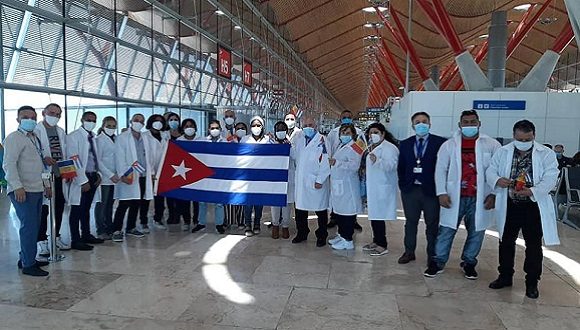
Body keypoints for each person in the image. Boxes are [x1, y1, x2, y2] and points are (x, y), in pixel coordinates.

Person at [486, 120, 560, 299]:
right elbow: (491, 170)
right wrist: (497, 180)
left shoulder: (546, 154)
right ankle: (505, 276)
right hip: (510, 204)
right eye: (520, 139)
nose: (523, 143)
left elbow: (551, 177)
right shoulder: (503, 152)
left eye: (527, 139)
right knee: (506, 242)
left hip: (533, 206)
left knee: (533, 245)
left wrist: (532, 191)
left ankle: (532, 282)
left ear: (533, 136)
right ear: (514, 136)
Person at [424, 109, 501, 279]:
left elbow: (499, 171)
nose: (469, 125)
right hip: (454, 196)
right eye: (465, 122)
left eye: (473, 122)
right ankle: (438, 261)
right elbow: (440, 170)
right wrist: (441, 192)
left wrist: (495, 194)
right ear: (460, 124)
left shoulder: (492, 144)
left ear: (479, 123)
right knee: (446, 229)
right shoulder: (449, 145)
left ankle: (469, 262)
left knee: (477, 231)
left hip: (481, 196)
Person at [3, 106, 51, 276]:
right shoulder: (13, 138)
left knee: (34, 225)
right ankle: (29, 265)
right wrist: (17, 187)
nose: (29, 120)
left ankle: (26, 257)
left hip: (37, 188)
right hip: (23, 190)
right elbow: (9, 164)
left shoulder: (34, 138)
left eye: (32, 117)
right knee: (29, 227)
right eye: (25, 117)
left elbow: (40, 164)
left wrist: (47, 185)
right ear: (18, 119)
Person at [397, 112, 446, 264]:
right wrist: (403, 185)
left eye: (424, 121)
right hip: (411, 190)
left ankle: (432, 254)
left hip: (430, 190)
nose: (421, 124)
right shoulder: (405, 144)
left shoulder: (440, 143)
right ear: (413, 126)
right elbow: (401, 167)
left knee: (432, 224)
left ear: (430, 124)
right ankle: (409, 251)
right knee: (410, 222)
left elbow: (444, 166)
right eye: (417, 122)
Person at [111, 114, 157, 242]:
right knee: (124, 203)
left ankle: (131, 227)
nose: (139, 123)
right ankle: (116, 229)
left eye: (141, 121)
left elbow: (150, 156)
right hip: (129, 174)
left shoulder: (145, 138)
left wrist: (151, 172)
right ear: (131, 121)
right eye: (136, 120)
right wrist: (122, 174)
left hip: (142, 175)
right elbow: (119, 157)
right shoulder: (122, 138)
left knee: (137, 202)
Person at [34, 103, 70, 259]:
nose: (55, 116)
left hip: (59, 175)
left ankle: (55, 238)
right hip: (43, 176)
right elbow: (32, 153)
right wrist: (43, 158)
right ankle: (42, 242)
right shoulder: (36, 131)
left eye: (58, 114)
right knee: (44, 210)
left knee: (59, 207)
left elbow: (65, 153)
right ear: (43, 112)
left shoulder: (60, 132)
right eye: (52, 113)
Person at [66, 111, 105, 251]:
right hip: (81, 178)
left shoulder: (92, 137)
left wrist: (98, 173)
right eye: (88, 119)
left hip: (93, 175)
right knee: (77, 209)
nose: (91, 122)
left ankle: (86, 234)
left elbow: (95, 157)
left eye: (94, 120)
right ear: (82, 120)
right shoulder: (73, 136)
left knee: (86, 208)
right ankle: (75, 240)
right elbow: (73, 159)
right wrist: (82, 180)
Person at [360, 123, 399, 256]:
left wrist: (378, 160)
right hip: (373, 186)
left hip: (383, 186)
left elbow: (392, 166)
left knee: (379, 216)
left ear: (383, 133)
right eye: (371, 133)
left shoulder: (390, 148)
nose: (373, 135)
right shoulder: (372, 146)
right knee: (374, 215)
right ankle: (376, 240)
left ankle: (382, 244)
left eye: (376, 132)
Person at [292, 116, 330, 247]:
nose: (308, 127)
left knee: (320, 210)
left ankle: (322, 235)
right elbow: (294, 155)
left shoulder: (322, 140)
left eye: (311, 125)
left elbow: (326, 162)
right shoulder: (299, 139)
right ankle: (302, 232)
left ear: (316, 126)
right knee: (300, 210)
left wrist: (320, 179)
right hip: (302, 181)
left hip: (316, 180)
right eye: (306, 125)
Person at [325, 110, 364, 231]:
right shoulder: (333, 132)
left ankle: (352, 223)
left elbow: (361, 152)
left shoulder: (359, 133)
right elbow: (330, 148)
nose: (346, 119)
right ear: (340, 118)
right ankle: (334, 218)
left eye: (348, 117)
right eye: (344, 117)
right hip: (336, 173)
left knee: (349, 204)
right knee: (337, 201)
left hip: (348, 175)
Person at [192, 120, 226, 234]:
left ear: (220, 129)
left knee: (219, 202)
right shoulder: (202, 141)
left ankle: (219, 224)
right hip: (204, 175)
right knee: (202, 201)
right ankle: (201, 223)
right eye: (212, 128)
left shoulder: (225, 142)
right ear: (208, 129)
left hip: (219, 175)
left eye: (216, 128)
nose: (214, 130)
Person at [241, 116, 271, 237]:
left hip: (262, 176)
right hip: (248, 176)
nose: (256, 128)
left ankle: (257, 223)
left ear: (262, 127)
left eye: (259, 125)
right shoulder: (244, 139)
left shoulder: (268, 140)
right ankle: (248, 224)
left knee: (259, 202)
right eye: (254, 125)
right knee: (248, 202)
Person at [94, 116, 119, 240]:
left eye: (114, 126)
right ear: (103, 125)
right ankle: (100, 229)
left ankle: (109, 227)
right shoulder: (99, 140)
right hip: (104, 177)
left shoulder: (115, 139)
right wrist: (110, 174)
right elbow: (98, 161)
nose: (111, 128)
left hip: (115, 178)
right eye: (109, 126)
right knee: (102, 205)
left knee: (110, 205)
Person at [143, 114, 168, 231]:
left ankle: (158, 218)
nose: (158, 123)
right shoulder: (145, 136)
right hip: (149, 171)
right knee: (146, 198)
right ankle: (143, 221)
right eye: (156, 121)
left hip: (162, 171)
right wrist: (151, 172)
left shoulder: (164, 136)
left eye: (161, 121)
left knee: (160, 197)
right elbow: (147, 155)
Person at [269, 121, 294, 239]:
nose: (281, 131)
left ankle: (285, 226)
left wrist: (289, 146)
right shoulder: (271, 144)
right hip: (275, 178)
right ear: (275, 131)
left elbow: (295, 158)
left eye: (283, 129)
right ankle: (275, 225)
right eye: (278, 129)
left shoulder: (291, 144)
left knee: (287, 203)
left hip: (289, 177)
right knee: (275, 203)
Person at [175, 118, 199, 231]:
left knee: (197, 199)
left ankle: (197, 220)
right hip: (183, 172)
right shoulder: (179, 141)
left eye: (191, 125)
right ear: (183, 128)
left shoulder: (201, 140)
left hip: (199, 173)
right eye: (186, 126)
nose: (189, 128)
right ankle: (186, 220)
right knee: (184, 199)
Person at [224, 122, 247, 229]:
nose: (240, 130)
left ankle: (241, 221)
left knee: (242, 199)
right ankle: (229, 220)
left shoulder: (249, 141)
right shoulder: (229, 140)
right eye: (238, 128)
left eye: (243, 128)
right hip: (231, 174)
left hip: (244, 174)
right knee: (230, 197)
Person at [164, 112, 184, 232]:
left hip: (182, 167)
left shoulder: (182, 134)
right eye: (171, 119)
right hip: (168, 167)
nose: (173, 121)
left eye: (176, 119)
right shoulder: (164, 134)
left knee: (181, 194)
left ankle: (180, 214)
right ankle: (172, 215)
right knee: (170, 194)